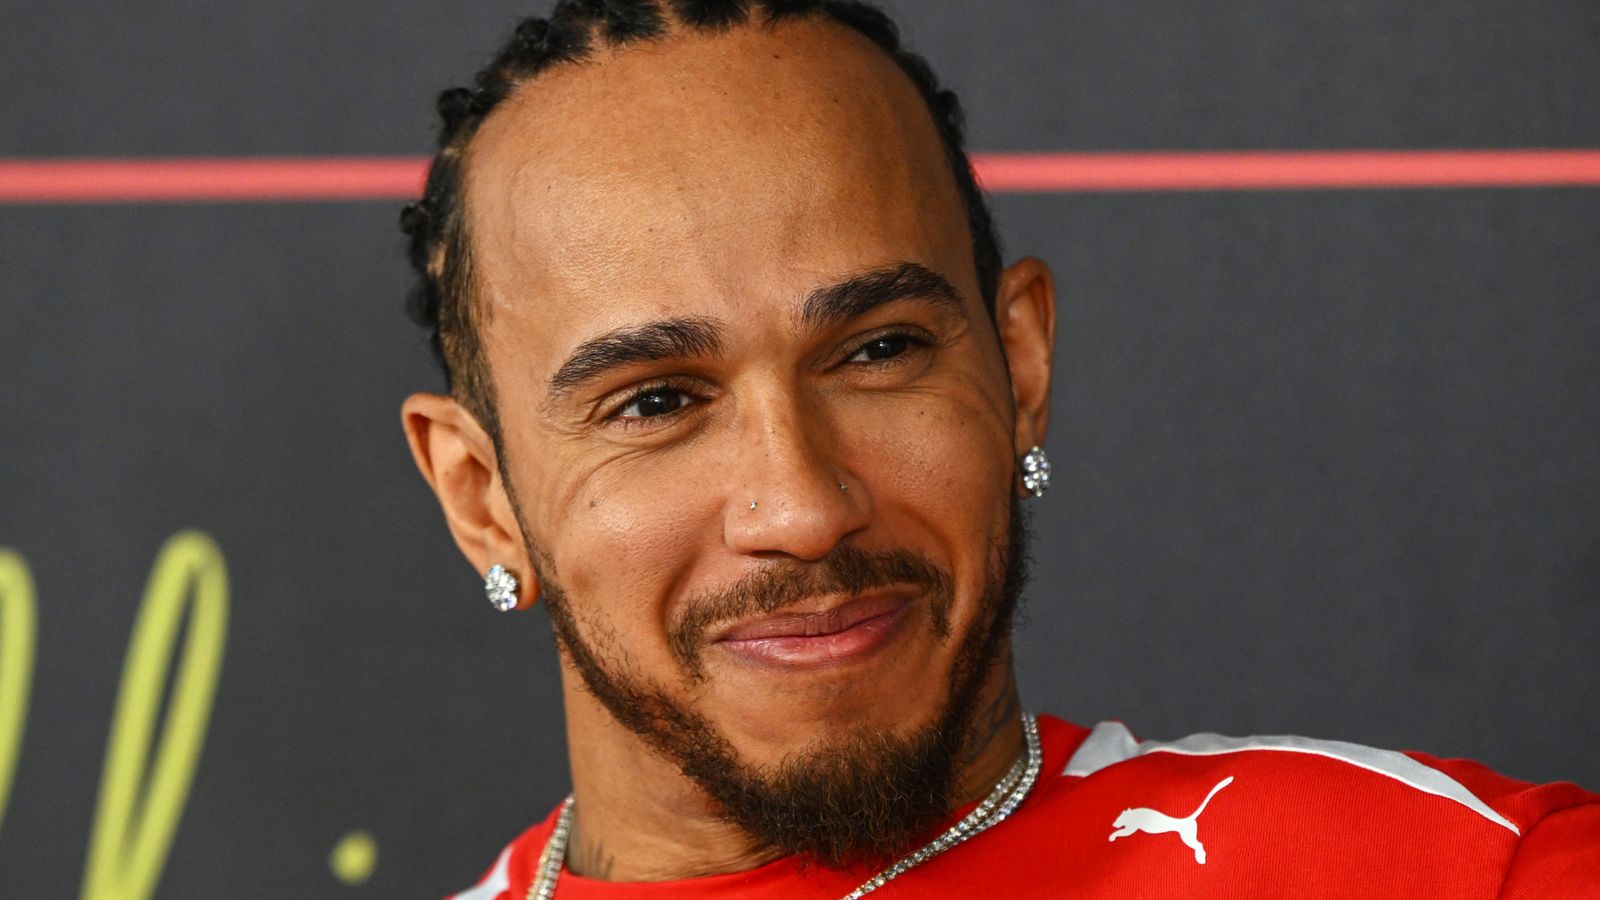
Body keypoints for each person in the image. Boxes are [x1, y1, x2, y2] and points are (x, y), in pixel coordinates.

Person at [397, 2, 1600, 897]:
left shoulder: (1452, 873)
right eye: (656, 402)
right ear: (480, 497)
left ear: (1018, 367)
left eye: (878, 350)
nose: (802, 506)